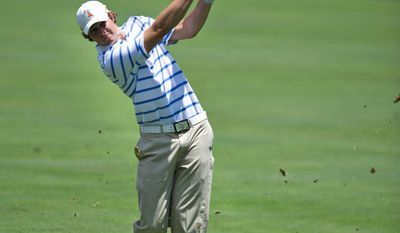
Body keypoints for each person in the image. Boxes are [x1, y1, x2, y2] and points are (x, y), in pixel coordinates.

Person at [76, 0, 215, 232]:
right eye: (93, 30)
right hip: (158, 143)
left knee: (189, 225)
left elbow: (187, 29)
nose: (101, 31)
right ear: (89, 37)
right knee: (152, 225)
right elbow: (159, 29)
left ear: (111, 16)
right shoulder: (111, 59)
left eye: (101, 23)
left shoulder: (139, 23)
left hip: (196, 129)